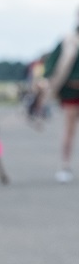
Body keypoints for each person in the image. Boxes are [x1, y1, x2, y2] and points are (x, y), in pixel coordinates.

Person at [40, 11, 79, 181]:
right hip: (70, 91)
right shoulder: (68, 40)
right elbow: (52, 64)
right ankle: (65, 165)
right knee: (69, 129)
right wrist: (45, 80)